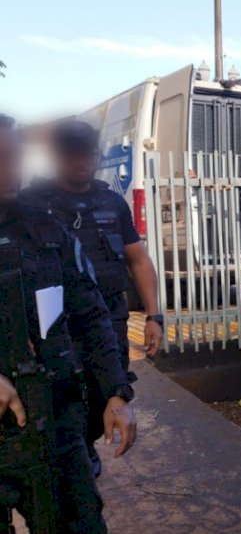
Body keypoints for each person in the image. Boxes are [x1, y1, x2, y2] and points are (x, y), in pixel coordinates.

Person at [0, 113, 137, 533]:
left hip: (53, 424)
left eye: (16, 157)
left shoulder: (44, 228)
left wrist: (116, 392)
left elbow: (91, 313)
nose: (13, 170)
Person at [22, 119, 161, 477]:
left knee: (109, 390)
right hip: (56, 326)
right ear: (57, 157)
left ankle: (85, 448)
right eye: (73, 155)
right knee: (62, 398)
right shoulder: (33, 205)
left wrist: (154, 316)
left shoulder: (111, 202)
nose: (82, 162)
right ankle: (76, 458)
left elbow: (138, 259)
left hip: (108, 322)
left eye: (88, 154)